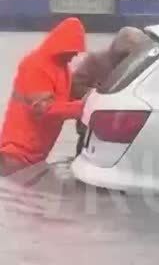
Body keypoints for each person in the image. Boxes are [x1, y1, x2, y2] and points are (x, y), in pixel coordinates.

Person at [0, 17, 86, 176]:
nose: (75, 55)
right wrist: (83, 108)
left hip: (36, 155)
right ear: (62, 46)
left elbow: (63, 102)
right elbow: (44, 109)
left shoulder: (63, 69)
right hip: (16, 154)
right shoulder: (36, 65)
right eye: (72, 50)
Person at [72, 26, 150, 155]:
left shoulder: (139, 63)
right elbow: (75, 86)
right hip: (91, 128)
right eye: (124, 54)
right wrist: (95, 94)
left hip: (125, 130)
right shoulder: (95, 60)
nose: (126, 58)